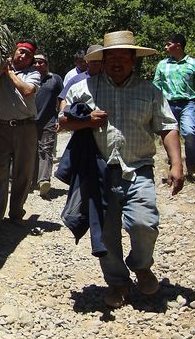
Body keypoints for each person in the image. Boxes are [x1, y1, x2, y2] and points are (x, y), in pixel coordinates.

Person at [60, 30, 183, 308]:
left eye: (123, 57)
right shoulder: (84, 88)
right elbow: (62, 122)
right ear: (103, 60)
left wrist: (177, 163)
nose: (117, 62)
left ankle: (141, 266)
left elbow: (167, 127)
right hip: (98, 171)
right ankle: (117, 283)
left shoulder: (149, 91)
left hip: (138, 168)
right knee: (106, 233)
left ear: (133, 60)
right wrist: (86, 121)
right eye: (111, 57)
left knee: (144, 223)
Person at [0, 39, 41, 229]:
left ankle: (16, 213)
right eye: (21, 51)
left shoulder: (33, 73)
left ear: (31, 59)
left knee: (23, 172)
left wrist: (9, 73)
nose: (23, 56)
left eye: (28, 55)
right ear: (14, 51)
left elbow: (27, 90)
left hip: (26, 127)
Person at [153, 33, 195, 181]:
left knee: (189, 133)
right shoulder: (162, 65)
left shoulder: (193, 64)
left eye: (168, 44)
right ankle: (174, 167)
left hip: (187, 104)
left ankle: (191, 166)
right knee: (170, 136)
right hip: (167, 105)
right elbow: (155, 87)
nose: (165, 47)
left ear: (178, 45)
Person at [32, 53, 63, 197]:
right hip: (28, 121)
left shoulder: (55, 79)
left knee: (45, 150)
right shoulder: (27, 78)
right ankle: (31, 180)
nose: (38, 65)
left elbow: (62, 98)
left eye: (41, 62)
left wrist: (60, 118)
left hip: (48, 121)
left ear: (47, 64)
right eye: (35, 62)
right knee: (30, 151)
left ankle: (43, 180)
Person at [58, 44, 103, 112]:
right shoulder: (76, 79)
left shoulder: (111, 79)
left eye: (100, 61)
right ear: (87, 61)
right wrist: (63, 115)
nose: (97, 63)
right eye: (93, 61)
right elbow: (63, 99)